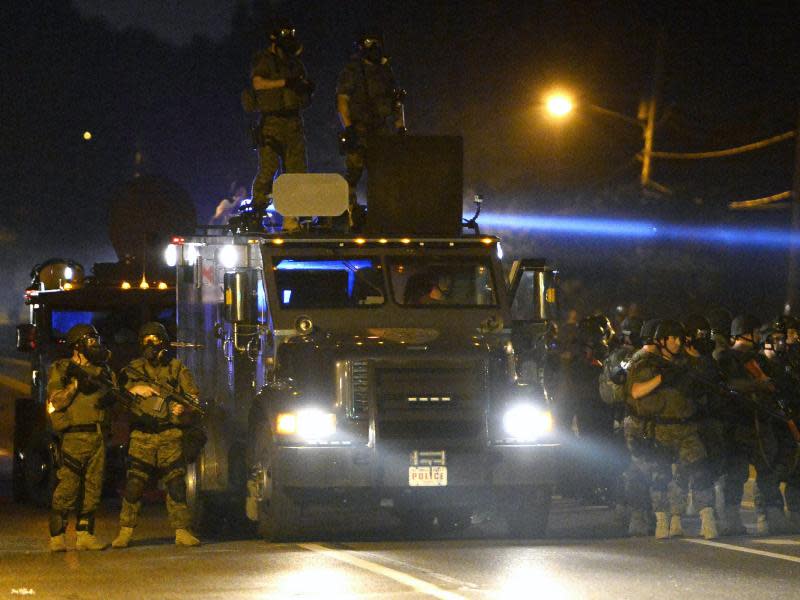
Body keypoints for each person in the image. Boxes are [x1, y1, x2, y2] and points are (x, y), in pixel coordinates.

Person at [111, 322, 202, 548]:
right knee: (134, 484)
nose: (150, 345)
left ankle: (182, 530)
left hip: (170, 434)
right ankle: (125, 530)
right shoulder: (133, 370)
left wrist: (184, 408)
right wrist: (134, 390)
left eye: (154, 340)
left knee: (176, 485)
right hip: (142, 435)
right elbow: (116, 399)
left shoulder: (176, 368)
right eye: (145, 340)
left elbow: (193, 397)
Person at [626, 319, 718, 540]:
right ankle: (663, 522)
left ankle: (707, 520)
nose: (677, 342)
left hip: (686, 429)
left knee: (700, 472)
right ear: (661, 341)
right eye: (673, 338)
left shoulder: (688, 363)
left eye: (679, 338)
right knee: (660, 478)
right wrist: (662, 378)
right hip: (660, 429)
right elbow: (636, 391)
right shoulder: (647, 364)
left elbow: (707, 385)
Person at [716, 314, 791, 535]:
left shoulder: (759, 360)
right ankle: (730, 519)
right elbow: (729, 385)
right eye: (755, 332)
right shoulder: (726, 358)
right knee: (736, 473)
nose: (758, 336)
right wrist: (757, 385)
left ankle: (771, 517)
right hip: (738, 424)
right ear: (745, 333)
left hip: (760, 422)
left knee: (767, 470)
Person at [47, 324, 113, 551]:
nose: (95, 345)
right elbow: (56, 401)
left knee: (93, 489)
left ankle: (85, 534)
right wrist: (76, 385)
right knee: (68, 487)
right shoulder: (62, 369)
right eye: (90, 341)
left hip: (97, 435)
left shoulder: (102, 370)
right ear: (78, 346)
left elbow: (110, 397)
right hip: (74, 437)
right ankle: (57, 536)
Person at [248, 23, 313, 232]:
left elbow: (303, 92)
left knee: (296, 170)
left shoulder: (294, 62)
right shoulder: (265, 60)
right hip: (272, 121)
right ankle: (257, 212)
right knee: (268, 168)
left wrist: (304, 88)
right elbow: (258, 83)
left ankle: (293, 218)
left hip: (293, 121)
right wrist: (285, 82)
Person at [336, 31, 406, 214]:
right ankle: (349, 211)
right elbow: (343, 100)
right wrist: (348, 127)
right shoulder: (353, 70)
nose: (374, 47)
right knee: (353, 172)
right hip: (359, 128)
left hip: (381, 128)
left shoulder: (385, 70)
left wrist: (400, 126)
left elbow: (396, 100)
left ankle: (381, 211)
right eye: (369, 43)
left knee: (382, 172)